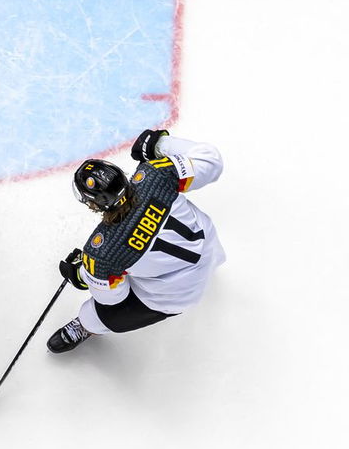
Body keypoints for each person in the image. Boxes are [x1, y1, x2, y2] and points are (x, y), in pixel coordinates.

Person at [49, 128, 225, 353]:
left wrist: (82, 275)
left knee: (96, 314)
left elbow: (112, 299)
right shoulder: (157, 174)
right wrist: (160, 145)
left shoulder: (101, 254)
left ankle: (85, 326)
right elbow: (212, 162)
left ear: (94, 204)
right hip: (209, 249)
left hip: (175, 296)